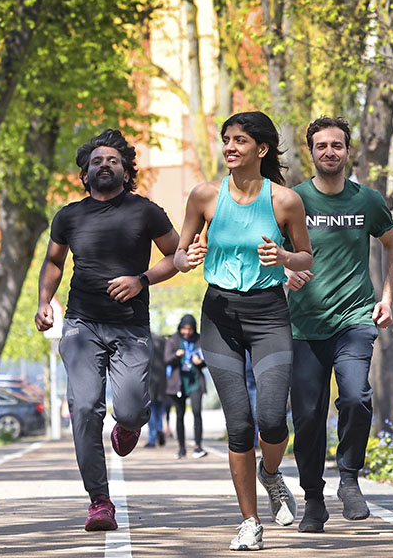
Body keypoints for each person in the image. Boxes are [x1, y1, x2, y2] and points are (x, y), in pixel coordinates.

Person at [174, 111, 314, 551]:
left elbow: (305, 257)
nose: (230, 147)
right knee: (239, 423)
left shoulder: (285, 201)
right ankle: (250, 521)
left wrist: (285, 260)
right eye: (226, 140)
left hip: (269, 313)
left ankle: (271, 475)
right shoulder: (204, 197)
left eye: (240, 141)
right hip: (219, 315)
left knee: (272, 418)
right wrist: (187, 258)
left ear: (262, 149)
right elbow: (178, 253)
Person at [35, 129, 180, 532]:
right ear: (85, 173)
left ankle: (130, 423)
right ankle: (99, 500)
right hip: (82, 324)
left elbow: (177, 255)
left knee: (131, 407)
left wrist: (142, 280)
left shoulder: (146, 211)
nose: (104, 165)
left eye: (113, 160)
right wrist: (44, 302)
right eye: (96, 161)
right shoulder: (68, 216)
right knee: (83, 409)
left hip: (130, 326)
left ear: (126, 171)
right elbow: (53, 263)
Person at [285, 116, 393, 533]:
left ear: (348, 151)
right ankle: (313, 498)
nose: (329, 152)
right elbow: (272, 254)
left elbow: (390, 244)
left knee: (355, 396)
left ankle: (349, 477)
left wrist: (385, 298)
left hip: (354, 318)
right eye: (321, 146)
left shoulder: (367, 200)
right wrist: (285, 274)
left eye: (336, 145)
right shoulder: (292, 200)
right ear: (311, 153)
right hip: (303, 325)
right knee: (308, 416)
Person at [164, 314, 207, 459]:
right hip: (178, 383)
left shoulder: (200, 339)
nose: (187, 332)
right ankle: (181, 448)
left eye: (189, 329)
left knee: (196, 412)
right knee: (180, 415)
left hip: (195, 381)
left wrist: (200, 361)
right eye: (184, 329)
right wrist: (177, 355)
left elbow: (208, 359)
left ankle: (198, 446)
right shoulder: (173, 339)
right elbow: (166, 359)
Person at [144, 333, 168, 448]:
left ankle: (152, 439)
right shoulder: (162, 340)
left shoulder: (144, 339)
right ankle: (160, 429)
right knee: (159, 409)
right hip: (162, 379)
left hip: (150, 380)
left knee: (151, 410)